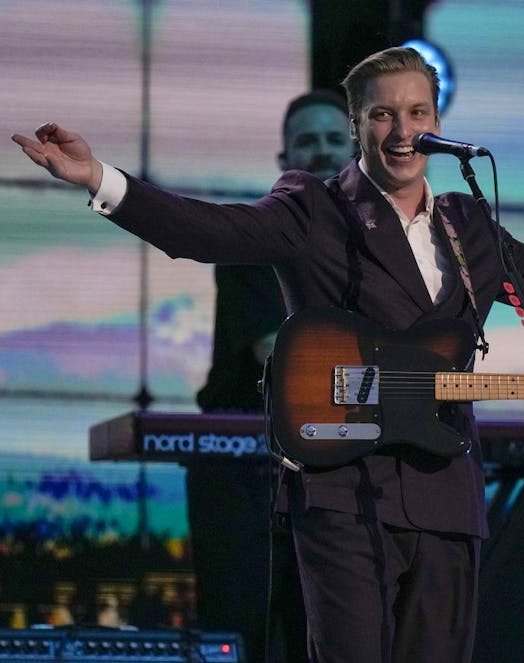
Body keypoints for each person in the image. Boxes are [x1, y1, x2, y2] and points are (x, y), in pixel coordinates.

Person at [12, 46, 524, 663]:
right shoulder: (313, 207)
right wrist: (102, 180)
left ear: (437, 119)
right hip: (340, 487)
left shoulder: (470, 226)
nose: (402, 130)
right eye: (383, 115)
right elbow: (207, 231)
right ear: (356, 125)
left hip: (443, 488)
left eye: (417, 112)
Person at [187, 89, 354, 663]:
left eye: (334, 139)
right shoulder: (252, 238)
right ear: (285, 159)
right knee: (243, 636)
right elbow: (282, 361)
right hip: (246, 472)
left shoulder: (378, 249)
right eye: (308, 141)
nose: (323, 151)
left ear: (356, 152)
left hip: (332, 468)